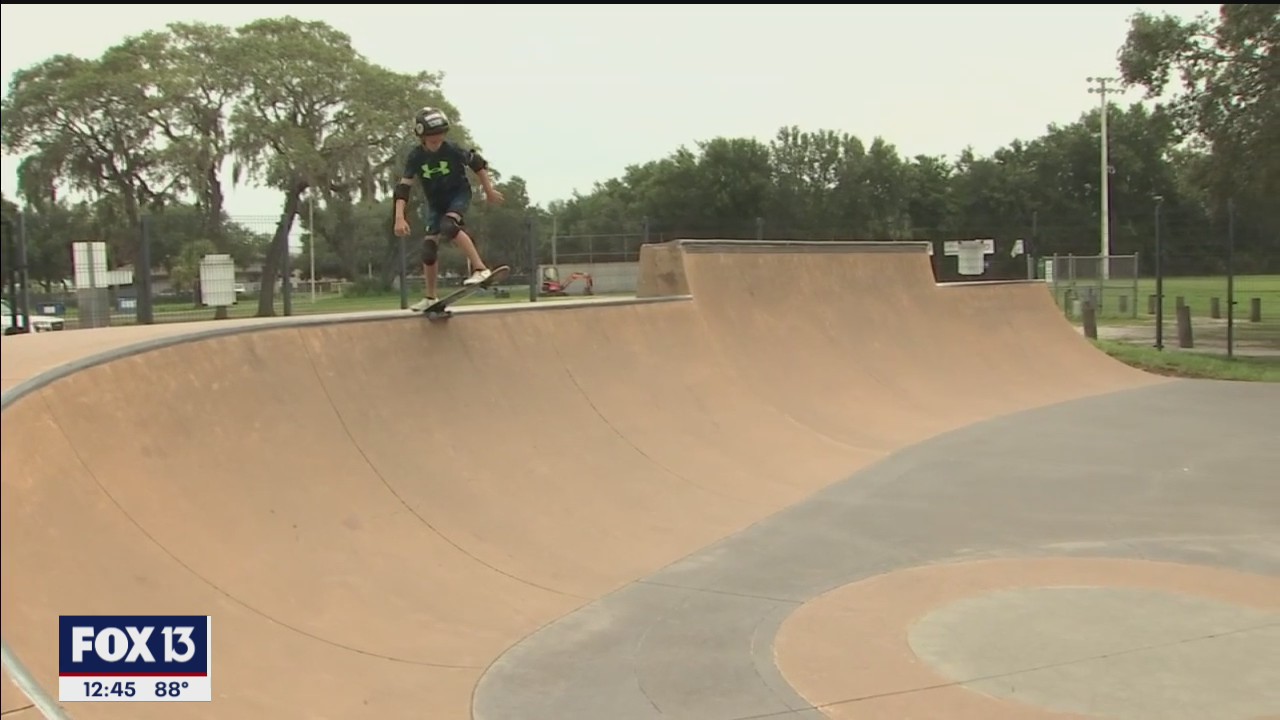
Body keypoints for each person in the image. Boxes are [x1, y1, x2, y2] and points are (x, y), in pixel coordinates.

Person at [393, 106, 505, 311]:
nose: (437, 141)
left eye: (440, 135)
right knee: (428, 249)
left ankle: (480, 269)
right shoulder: (415, 157)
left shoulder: (452, 149)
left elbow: (478, 164)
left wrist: (489, 191)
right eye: (431, 137)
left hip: (458, 195)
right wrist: (399, 217)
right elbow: (403, 188)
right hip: (435, 203)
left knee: (449, 226)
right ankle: (430, 297)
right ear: (421, 137)